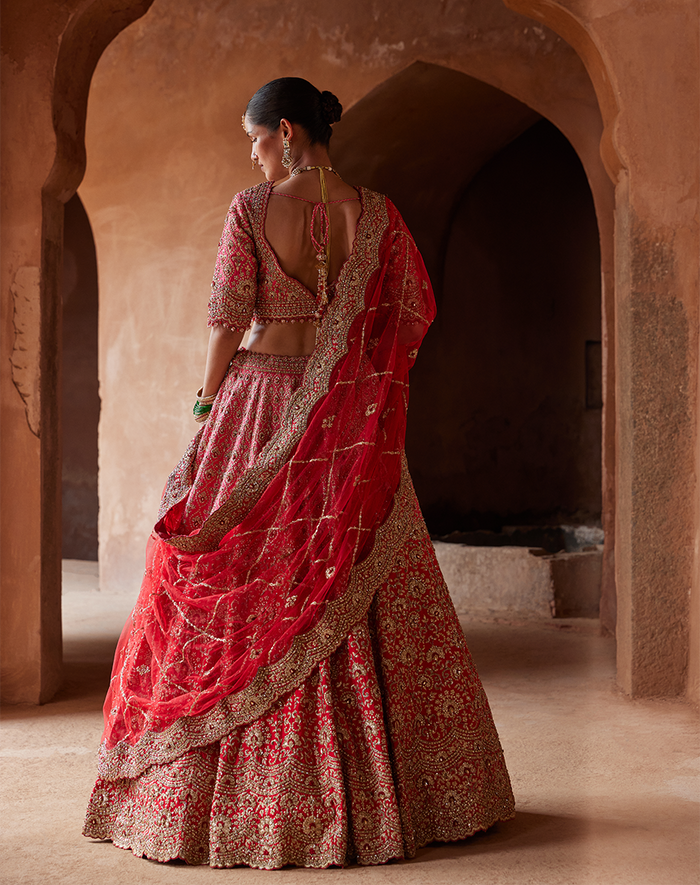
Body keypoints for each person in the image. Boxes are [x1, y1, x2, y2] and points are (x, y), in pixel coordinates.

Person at [83, 77, 514, 868]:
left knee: (246, 575)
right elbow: (408, 312)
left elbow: (227, 318)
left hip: (259, 409)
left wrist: (204, 403)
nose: (252, 155)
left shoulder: (252, 208)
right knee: (346, 571)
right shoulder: (376, 214)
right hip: (347, 423)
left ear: (285, 131)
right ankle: (406, 796)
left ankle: (229, 806)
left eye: (254, 139)